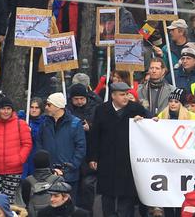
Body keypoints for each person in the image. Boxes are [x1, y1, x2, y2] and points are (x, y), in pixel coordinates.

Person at [88, 82, 149, 217]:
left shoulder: (136, 109)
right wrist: (93, 157)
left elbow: (150, 126)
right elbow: (95, 135)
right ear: (113, 96)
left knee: (126, 195)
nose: (125, 97)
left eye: (127, 94)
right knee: (107, 194)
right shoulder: (101, 110)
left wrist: (143, 121)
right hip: (107, 158)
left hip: (127, 160)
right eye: (122, 95)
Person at [0, 98, 32, 197]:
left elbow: (27, 144)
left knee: (8, 202)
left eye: (8, 108)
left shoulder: (20, 124)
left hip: (14, 170)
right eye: (3, 109)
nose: (6, 111)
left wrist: (19, 159)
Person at [37, 95, 86, 190]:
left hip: (69, 176)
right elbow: (39, 144)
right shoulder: (44, 122)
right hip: (48, 174)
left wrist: (68, 168)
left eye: (49, 105)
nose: (46, 107)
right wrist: (45, 166)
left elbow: (81, 149)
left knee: (69, 203)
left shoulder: (75, 123)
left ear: (58, 106)